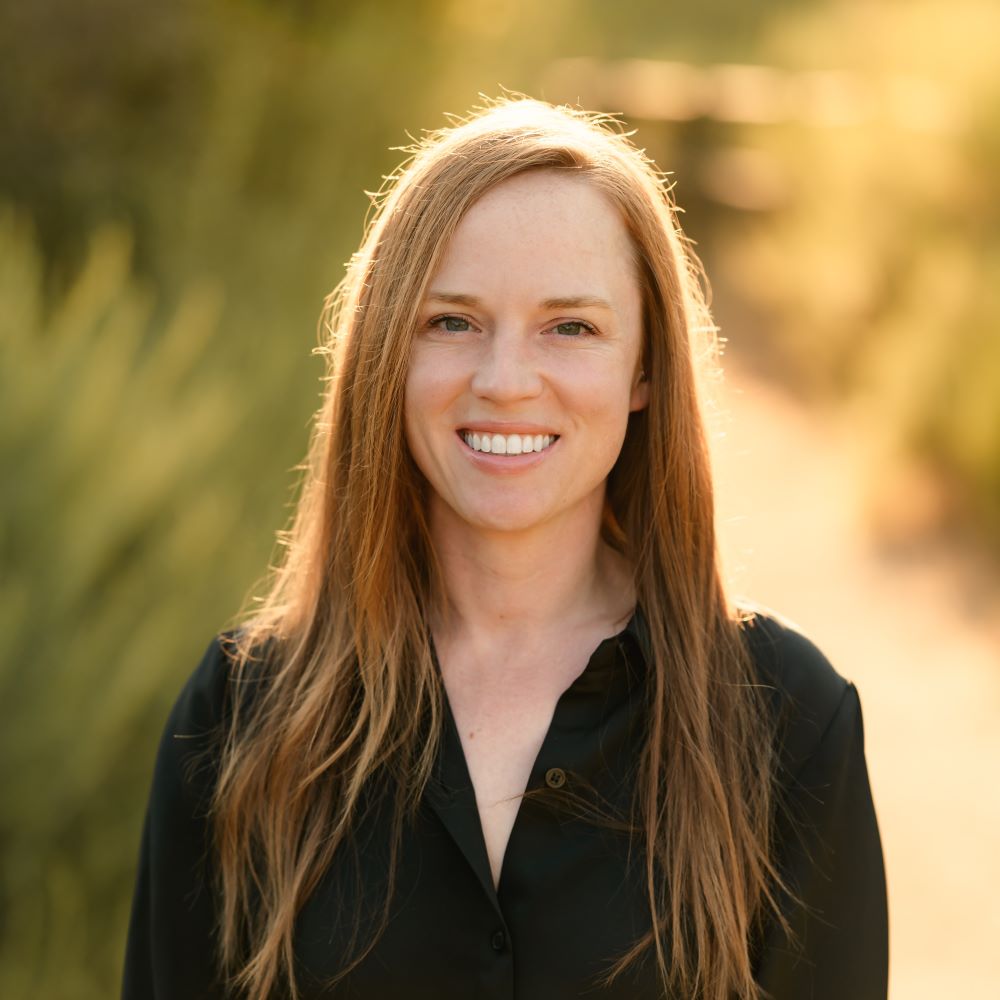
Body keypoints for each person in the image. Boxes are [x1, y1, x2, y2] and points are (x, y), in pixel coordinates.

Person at [122, 98, 888, 1000]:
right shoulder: (240, 719)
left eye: (572, 328)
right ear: (385, 355)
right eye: (452, 322)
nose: (505, 382)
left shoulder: (789, 724)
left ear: (644, 370)